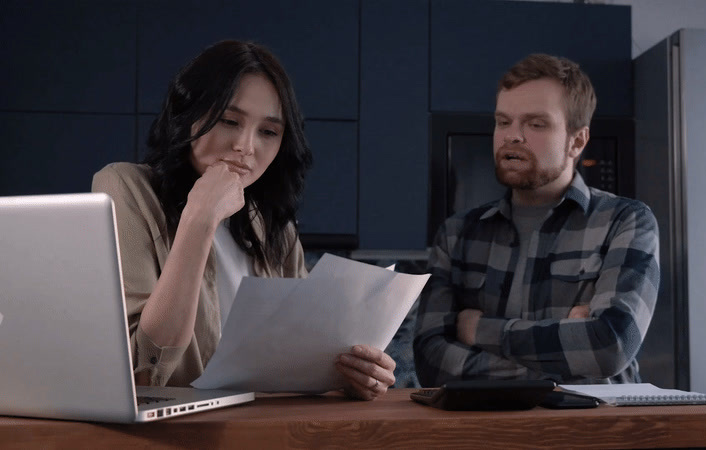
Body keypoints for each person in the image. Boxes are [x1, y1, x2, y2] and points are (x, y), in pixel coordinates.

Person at [92, 40, 395, 400]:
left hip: (260, 429)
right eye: (229, 121)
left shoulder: (276, 229)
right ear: (188, 115)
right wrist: (200, 217)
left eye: (268, 132)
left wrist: (354, 373)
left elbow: (299, 364)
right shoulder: (125, 187)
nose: (246, 147)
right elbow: (142, 372)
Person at [414, 54, 660, 386]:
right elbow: (431, 360)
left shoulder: (626, 222)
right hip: (485, 434)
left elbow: (610, 345)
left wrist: (479, 329)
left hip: (595, 434)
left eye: (535, 124)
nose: (512, 136)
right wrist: (564, 355)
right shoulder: (457, 234)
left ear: (577, 141)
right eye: (503, 121)